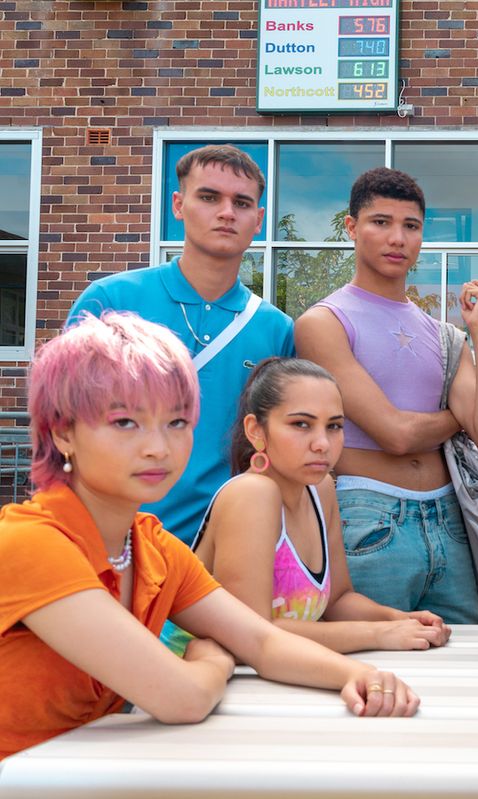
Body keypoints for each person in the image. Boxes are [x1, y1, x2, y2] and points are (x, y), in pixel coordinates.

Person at [0, 314, 418, 760]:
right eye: (126, 423)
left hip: (92, 771)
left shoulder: (152, 548)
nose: (158, 447)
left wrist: (357, 675)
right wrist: (214, 658)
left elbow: (261, 641)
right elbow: (182, 698)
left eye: (176, 423)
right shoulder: (29, 543)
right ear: (63, 432)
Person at [295, 167, 478, 624]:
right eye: (380, 222)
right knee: (379, 671)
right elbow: (395, 433)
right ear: (351, 227)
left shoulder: (446, 335)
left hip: (451, 517)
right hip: (366, 517)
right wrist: (456, 416)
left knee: (465, 666)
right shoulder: (324, 322)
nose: (397, 238)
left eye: (410, 226)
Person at [67, 144, 294, 545]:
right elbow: (62, 422)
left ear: (258, 220)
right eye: (208, 197)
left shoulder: (274, 328)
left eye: (241, 203)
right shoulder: (110, 300)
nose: (226, 212)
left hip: (219, 549)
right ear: (178, 204)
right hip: (107, 539)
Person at [165, 358, 451, 655]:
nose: (322, 443)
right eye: (301, 424)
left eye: (334, 426)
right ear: (256, 430)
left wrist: (398, 619)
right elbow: (250, 630)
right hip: (194, 679)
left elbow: (338, 600)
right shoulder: (250, 494)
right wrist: (377, 633)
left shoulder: (320, 488)